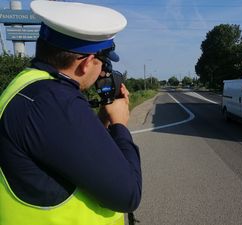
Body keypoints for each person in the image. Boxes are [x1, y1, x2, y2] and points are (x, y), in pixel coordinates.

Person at [0, 1, 142, 225]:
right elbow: (129, 194)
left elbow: (74, 154)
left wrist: (103, 120)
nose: (103, 71)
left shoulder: (30, 86)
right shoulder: (55, 103)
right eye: (103, 62)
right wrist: (120, 125)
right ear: (86, 62)